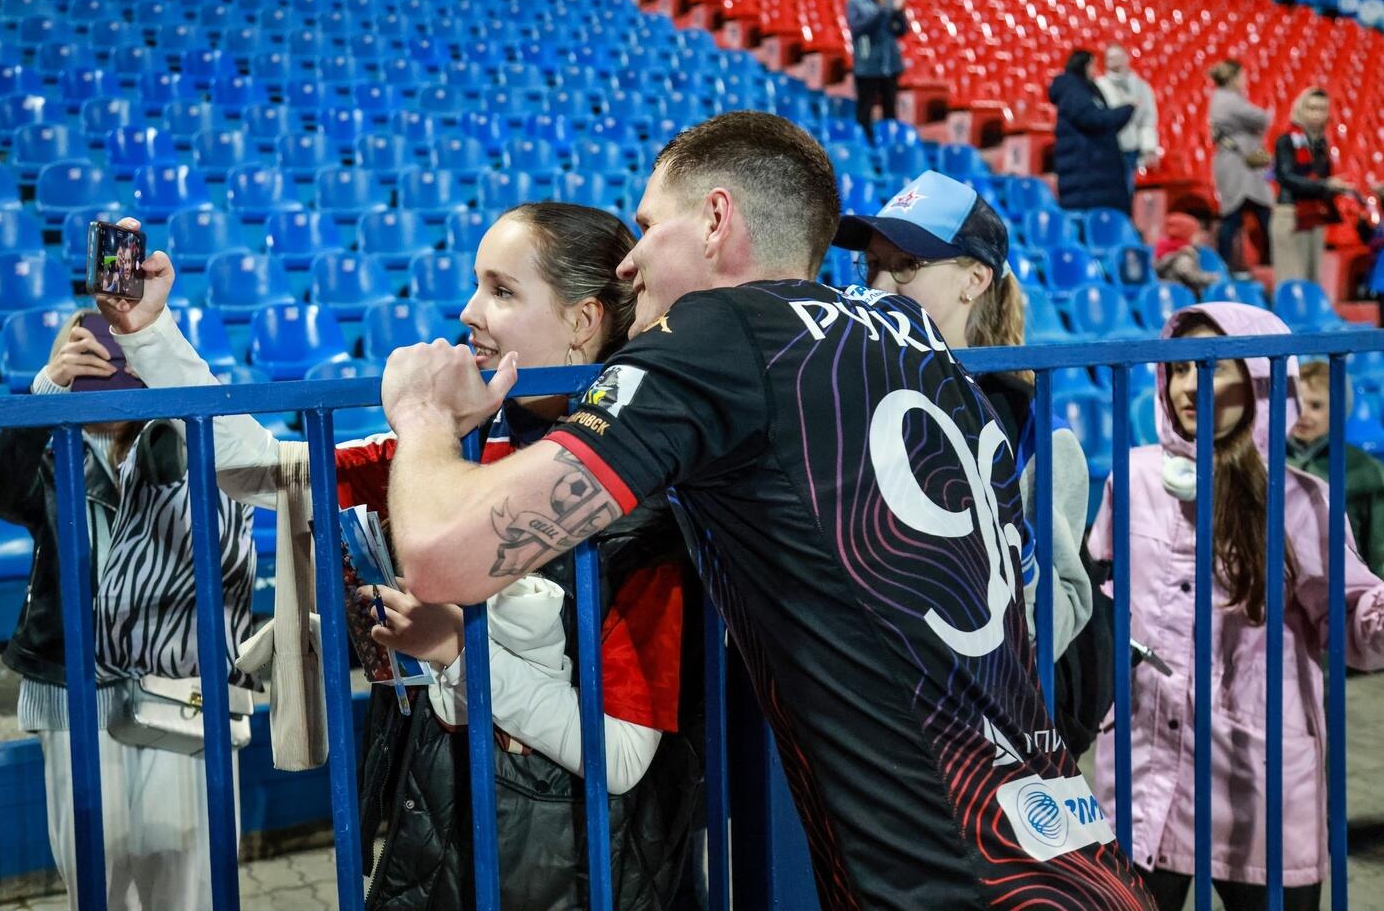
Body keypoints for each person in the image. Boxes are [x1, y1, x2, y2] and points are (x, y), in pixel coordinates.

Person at [374, 111, 1154, 908]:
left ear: (715, 220)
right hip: (1073, 858)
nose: (629, 263)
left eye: (648, 226)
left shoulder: (717, 333)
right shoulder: (907, 331)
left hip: (950, 883)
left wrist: (426, 418)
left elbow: (442, 558)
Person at [95, 205, 703, 910]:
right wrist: (149, 334)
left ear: (582, 320)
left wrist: (455, 649)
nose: (469, 311)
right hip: (446, 838)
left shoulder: (639, 489)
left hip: (571, 868)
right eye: (476, 284)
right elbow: (259, 468)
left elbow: (620, 758)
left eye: (502, 291)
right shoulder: (446, 449)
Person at [1087, 302, 1384, 910]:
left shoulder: (1303, 501)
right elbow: (1099, 601)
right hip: (1147, 779)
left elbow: (1354, 624)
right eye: (1177, 368)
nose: (1188, 385)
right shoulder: (1130, 479)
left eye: (1211, 367)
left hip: (1262, 790)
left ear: (1261, 381)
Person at [0, 310, 258, 910]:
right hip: (72, 682)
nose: (108, 372)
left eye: (123, 360)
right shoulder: (50, 454)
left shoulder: (184, 440)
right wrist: (47, 389)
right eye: (92, 362)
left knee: (191, 867)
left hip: (175, 685)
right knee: (95, 867)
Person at [837, 170, 1094, 661]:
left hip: (970, 694)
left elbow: (1058, 621)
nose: (879, 286)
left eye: (906, 265)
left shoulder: (1035, 431)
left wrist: (999, 538)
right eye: (872, 265)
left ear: (975, 280)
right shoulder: (848, 393)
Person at [1288, 359, 1384, 576]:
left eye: (1315, 406)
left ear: (1339, 410)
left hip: (1344, 583)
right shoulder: (1265, 461)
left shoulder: (1366, 470)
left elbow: (1379, 549)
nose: (1303, 413)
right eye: (1297, 402)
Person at [1271, 87, 1355, 286]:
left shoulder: (1321, 144)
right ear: (1301, 109)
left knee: (1311, 280)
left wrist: (1335, 187)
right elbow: (1286, 177)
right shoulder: (1286, 140)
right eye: (1312, 108)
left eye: (1322, 109)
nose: (1317, 114)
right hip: (1290, 214)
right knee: (1291, 280)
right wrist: (1325, 185)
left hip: (1314, 217)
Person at [1049, 48, 1136, 213]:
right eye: (1092, 65)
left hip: (1095, 175)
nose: (1095, 70)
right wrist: (1126, 110)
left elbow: (1104, 123)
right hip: (1086, 176)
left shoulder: (1084, 90)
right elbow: (1094, 119)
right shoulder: (1073, 91)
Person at [1208, 59, 1275, 272]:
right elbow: (1261, 119)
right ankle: (1226, 265)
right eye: (1242, 76)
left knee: (1250, 214)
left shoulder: (1226, 98)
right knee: (1236, 216)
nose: (1245, 80)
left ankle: (1265, 263)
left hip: (1240, 164)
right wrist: (1266, 117)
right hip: (1237, 165)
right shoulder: (1228, 100)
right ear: (1233, 78)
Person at [845, 0, 908, 146]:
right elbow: (859, 28)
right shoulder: (856, 1)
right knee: (865, 109)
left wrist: (898, 13)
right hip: (867, 65)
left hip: (890, 65)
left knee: (890, 109)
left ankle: (889, 147)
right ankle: (864, 146)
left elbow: (900, 31)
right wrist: (882, 10)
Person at [1095, 43, 1161, 198]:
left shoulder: (1141, 87)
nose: (1114, 61)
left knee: (1125, 192)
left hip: (1130, 148)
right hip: (1106, 148)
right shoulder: (1098, 86)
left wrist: (1149, 148)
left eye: (1118, 57)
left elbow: (1147, 119)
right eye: (1110, 58)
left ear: (1127, 58)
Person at [1153, 212, 1221, 292]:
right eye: (1196, 234)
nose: (1200, 237)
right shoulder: (1184, 256)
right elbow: (1191, 276)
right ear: (1187, 236)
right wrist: (1214, 278)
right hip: (1182, 294)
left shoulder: (1170, 252)